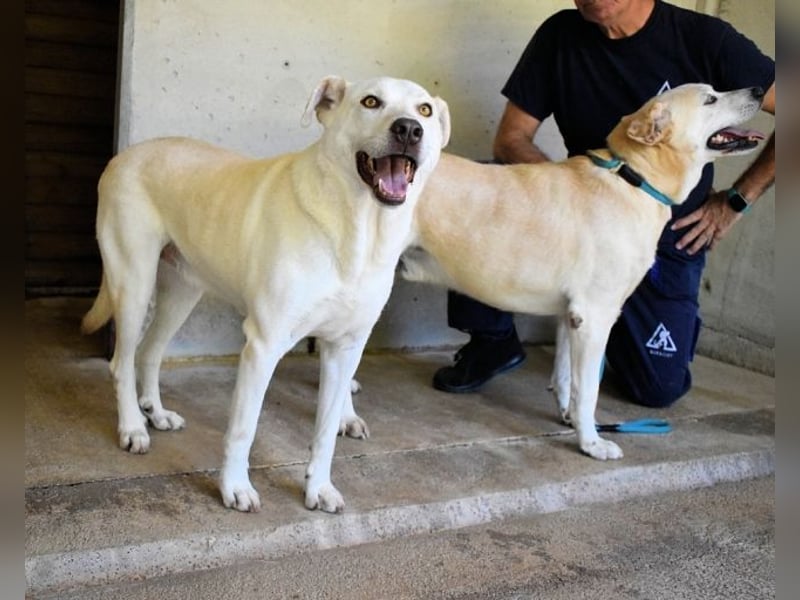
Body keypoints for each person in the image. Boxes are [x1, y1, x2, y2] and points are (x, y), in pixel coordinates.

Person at [433, 0, 775, 408]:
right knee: (486, 187)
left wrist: (736, 200)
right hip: (585, 216)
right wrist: (563, 194)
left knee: (657, 388)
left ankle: (623, 335)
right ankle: (493, 341)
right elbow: (511, 139)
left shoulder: (705, 38)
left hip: (671, 232)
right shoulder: (560, 35)